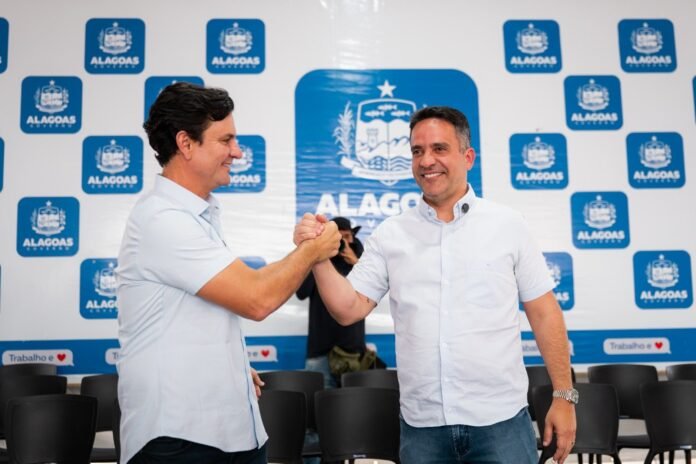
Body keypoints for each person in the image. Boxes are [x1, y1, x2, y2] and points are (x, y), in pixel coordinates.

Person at [295, 106, 577, 464]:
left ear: (468, 157)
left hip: (501, 424)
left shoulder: (508, 225)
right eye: (417, 151)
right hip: (422, 430)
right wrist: (317, 256)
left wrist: (564, 396)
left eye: (439, 148)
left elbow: (544, 312)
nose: (426, 160)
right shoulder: (391, 234)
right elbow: (347, 309)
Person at [116, 82, 340, 464]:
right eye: (226, 140)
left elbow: (203, 309)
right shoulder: (162, 219)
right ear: (186, 144)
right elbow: (256, 298)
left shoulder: (195, 214)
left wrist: (228, 367)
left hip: (227, 432)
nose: (237, 152)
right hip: (181, 440)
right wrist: (311, 251)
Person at [296, 216, 365, 388]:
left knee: (357, 402)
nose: (342, 242)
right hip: (321, 350)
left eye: (346, 237)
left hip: (352, 351)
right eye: (338, 237)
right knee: (319, 402)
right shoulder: (318, 259)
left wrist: (355, 262)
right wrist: (316, 256)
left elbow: (373, 292)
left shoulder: (360, 260)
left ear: (353, 238)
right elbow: (301, 293)